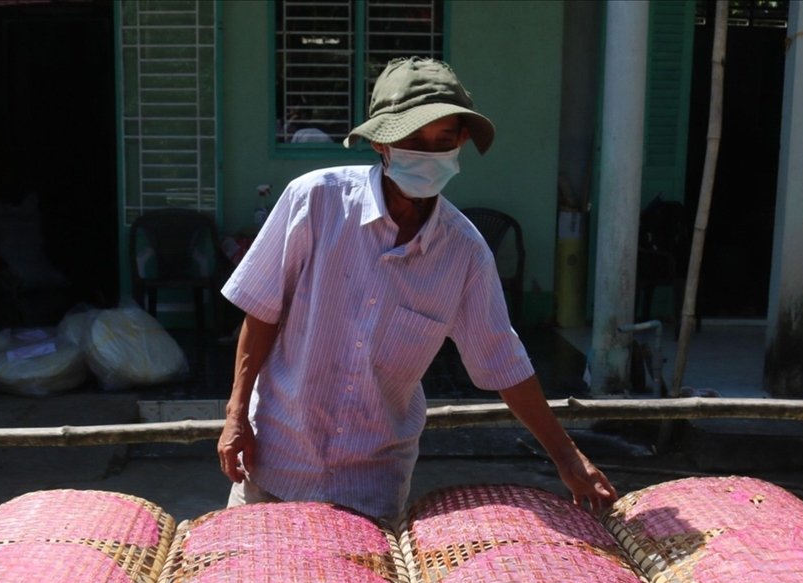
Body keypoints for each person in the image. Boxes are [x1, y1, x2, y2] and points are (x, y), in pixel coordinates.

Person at [217, 57, 616, 523]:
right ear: (380, 142)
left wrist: (568, 458)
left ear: (461, 142)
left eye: (442, 140)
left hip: (369, 489)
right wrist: (235, 413)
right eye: (411, 140)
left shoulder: (464, 254)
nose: (427, 153)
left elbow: (504, 364)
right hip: (273, 464)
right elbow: (261, 311)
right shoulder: (315, 201)